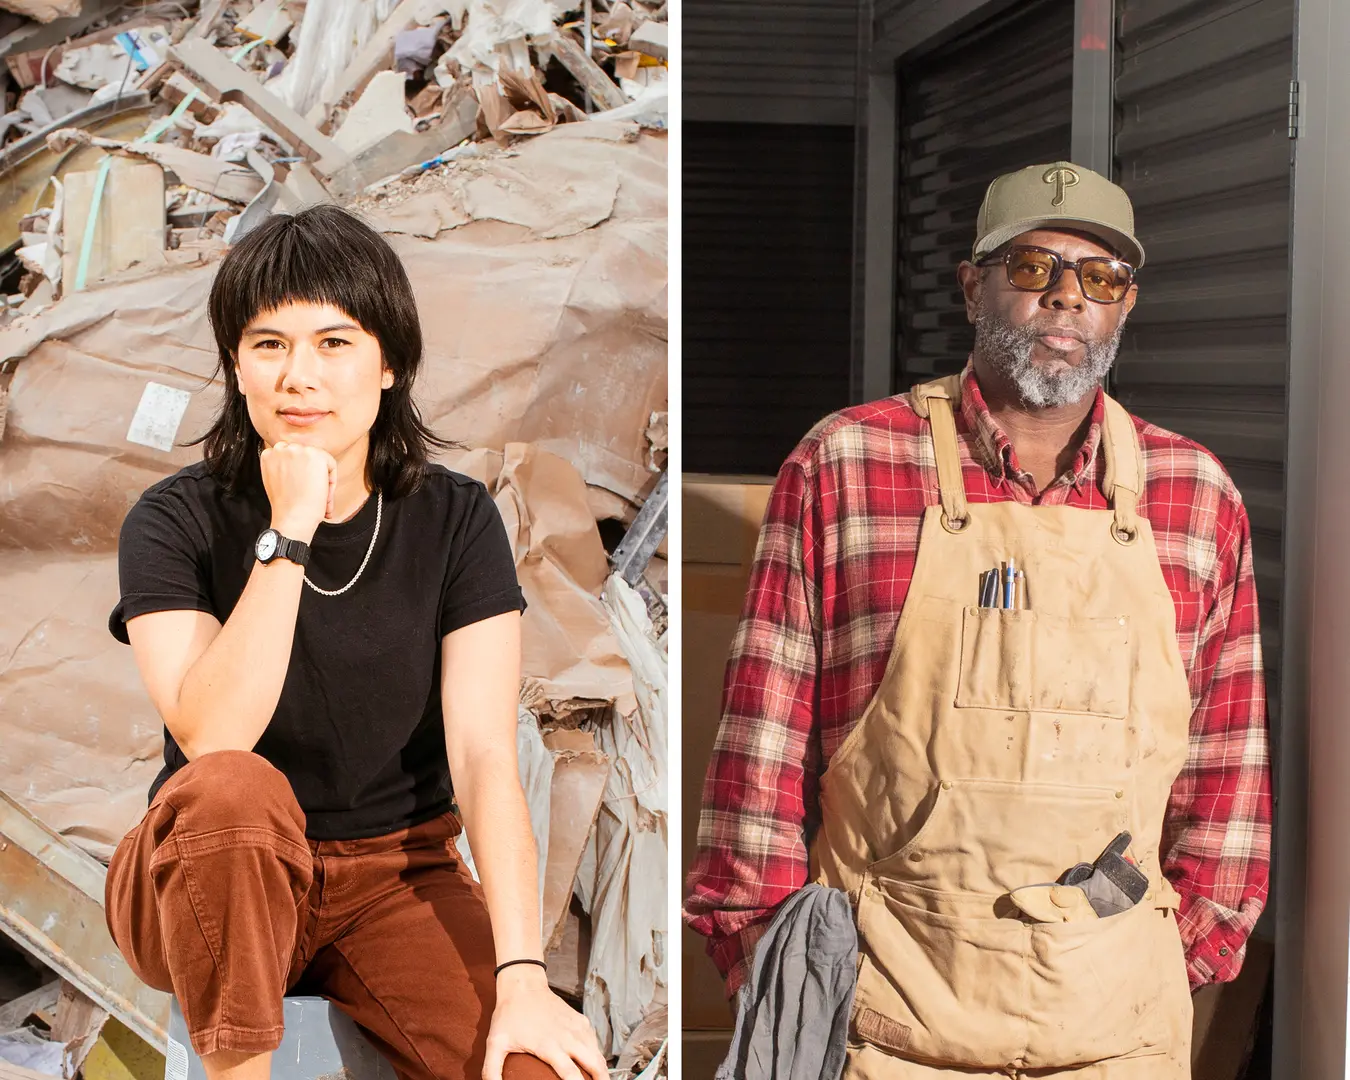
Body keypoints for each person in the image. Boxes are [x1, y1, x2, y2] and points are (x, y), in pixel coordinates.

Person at [684, 162, 1273, 1078]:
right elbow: (760, 758)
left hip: (1116, 1034)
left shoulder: (1195, 497)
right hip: (882, 1029)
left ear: (1126, 307)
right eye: (1035, 268)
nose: (1067, 300)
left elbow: (1225, 786)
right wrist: (776, 965)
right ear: (974, 286)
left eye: (1101, 278)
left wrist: (1156, 967)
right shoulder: (847, 464)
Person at [105, 205, 607, 1080]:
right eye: (269, 345)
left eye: (334, 343)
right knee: (231, 788)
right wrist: (291, 525)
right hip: (208, 868)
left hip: (394, 873)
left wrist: (524, 978)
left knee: (535, 1069)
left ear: (390, 364)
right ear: (237, 366)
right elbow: (212, 738)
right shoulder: (175, 518)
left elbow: (487, 753)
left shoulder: (454, 519)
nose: (300, 377)